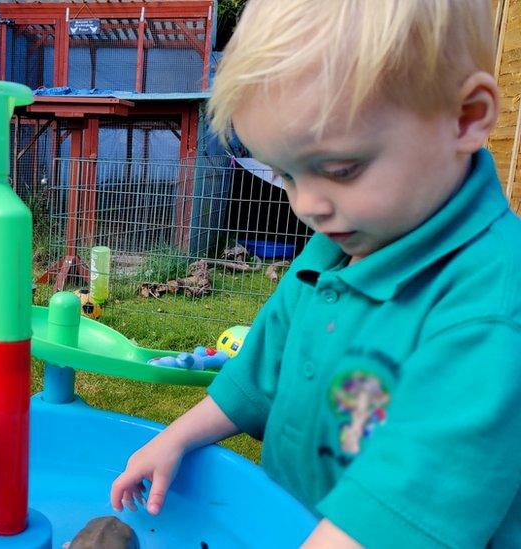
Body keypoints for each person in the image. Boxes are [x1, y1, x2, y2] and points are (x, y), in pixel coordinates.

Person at [110, 1, 521, 546]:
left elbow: (399, 515)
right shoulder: (338, 244)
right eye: (284, 174)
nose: (308, 206)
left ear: (466, 116)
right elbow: (259, 372)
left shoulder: (493, 305)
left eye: (340, 170)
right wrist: (177, 437)